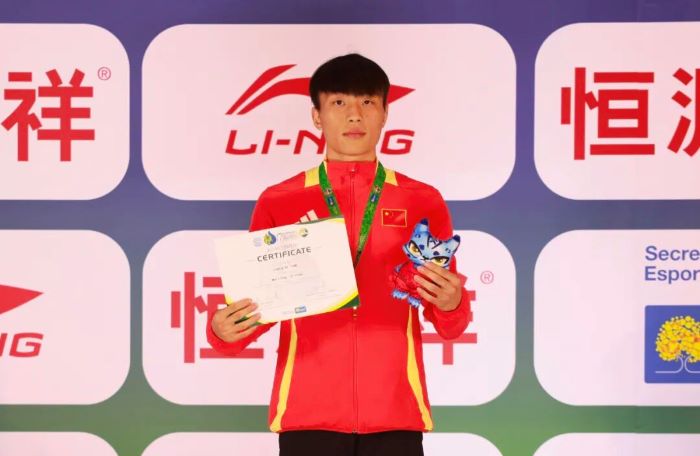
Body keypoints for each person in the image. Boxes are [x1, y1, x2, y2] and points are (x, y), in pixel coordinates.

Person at [208, 53, 472, 456]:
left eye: (367, 102)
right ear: (316, 116)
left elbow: (449, 322)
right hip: (307, 417)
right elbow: (258, 308)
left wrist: (452, 303)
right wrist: (223, 332)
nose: (354, 115)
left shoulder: (421, 200)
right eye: (338, 102)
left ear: (385, 113)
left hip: (395, 415)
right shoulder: (280, 201)